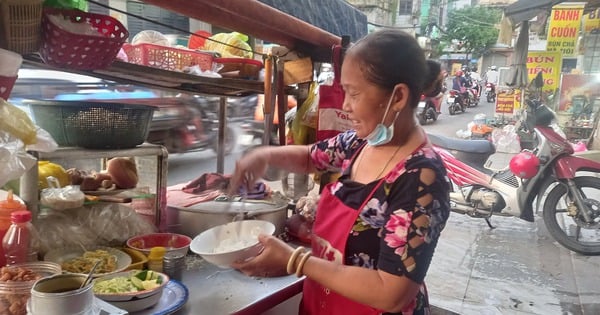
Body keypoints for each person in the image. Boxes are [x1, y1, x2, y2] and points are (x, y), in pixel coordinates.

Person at [229, 29, 451, 315]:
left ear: (397, 97)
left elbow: (392, 292)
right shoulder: (361, 141)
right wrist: (263, 155)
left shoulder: (422, 178)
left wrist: (296, 261)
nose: (345, 106)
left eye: (354, 93)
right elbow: (312, 157)